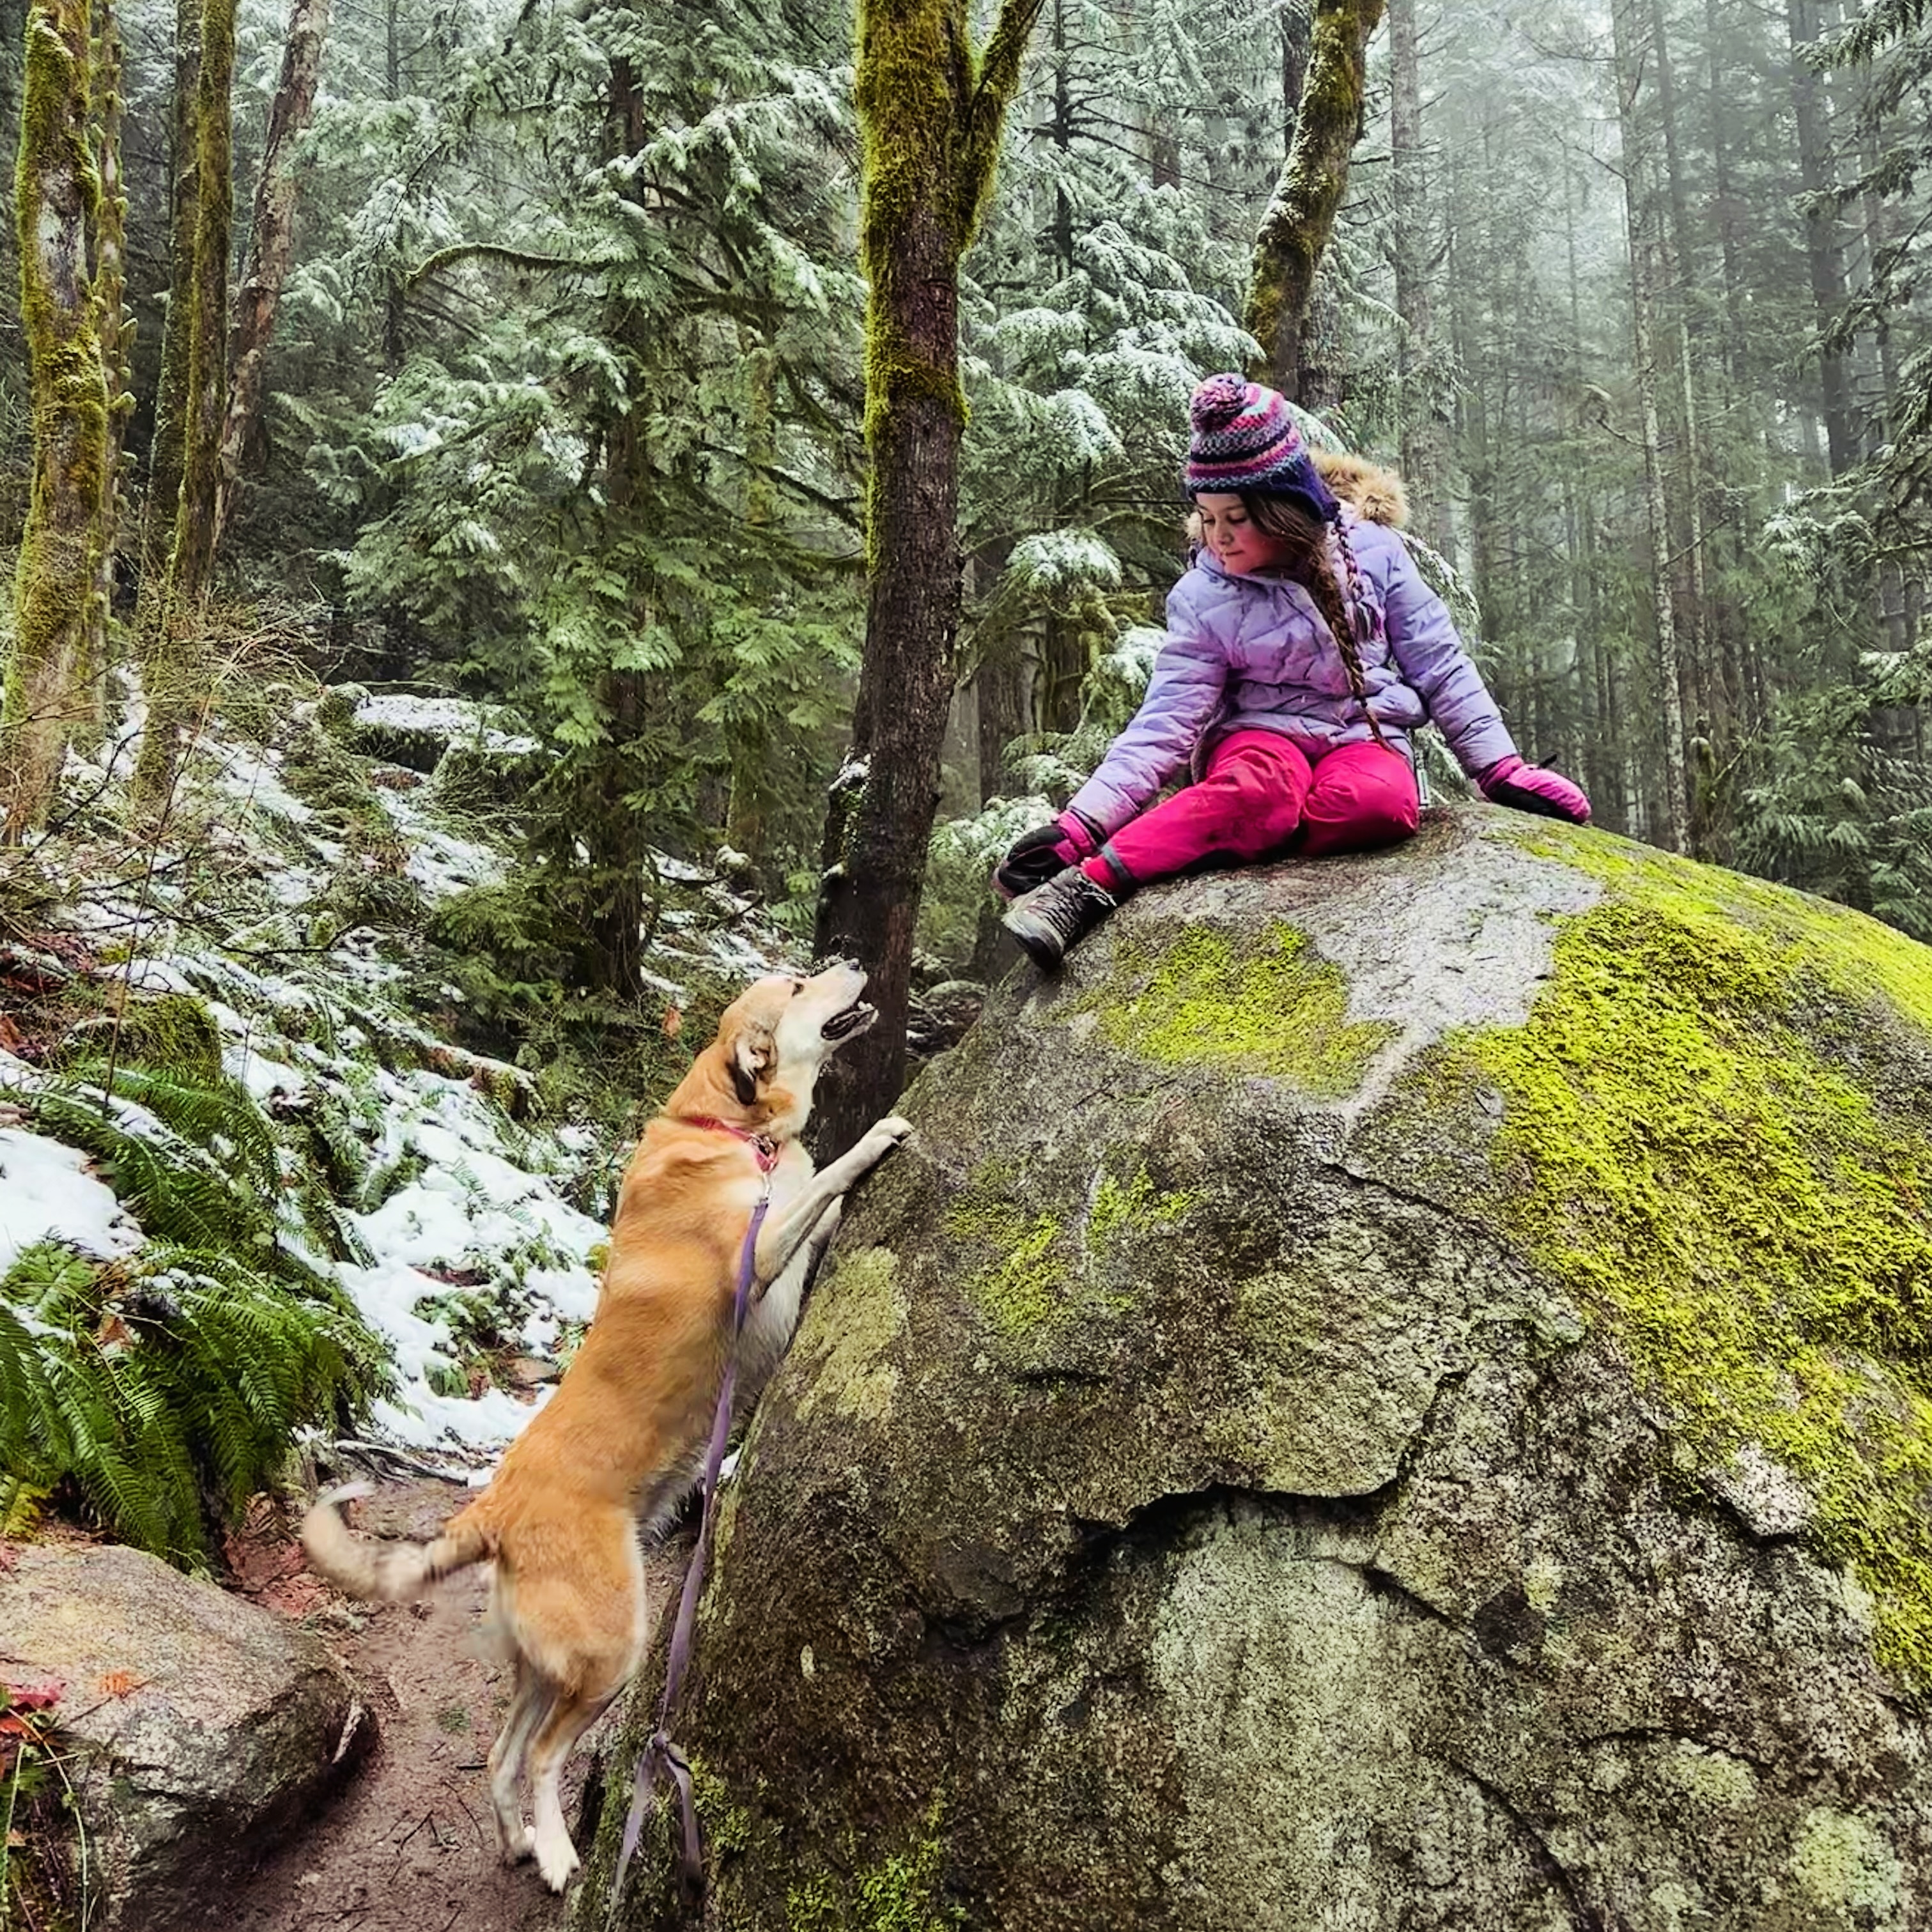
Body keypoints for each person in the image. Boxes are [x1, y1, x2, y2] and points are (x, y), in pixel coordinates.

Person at [994, 371, 1590, 970]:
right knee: (1262, 792)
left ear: (1284, 509)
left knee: (1379, 807)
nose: (1218, 537)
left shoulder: (1374, 554)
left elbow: (1439, 662)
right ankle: (1088, 887)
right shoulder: (1205, 595)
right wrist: (1080, 825)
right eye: (1206, 517)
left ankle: (1233, 828)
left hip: (1363, 735)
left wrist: (1499, 769)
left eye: (1235, 518)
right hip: (1256, 739)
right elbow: (1164, 722)